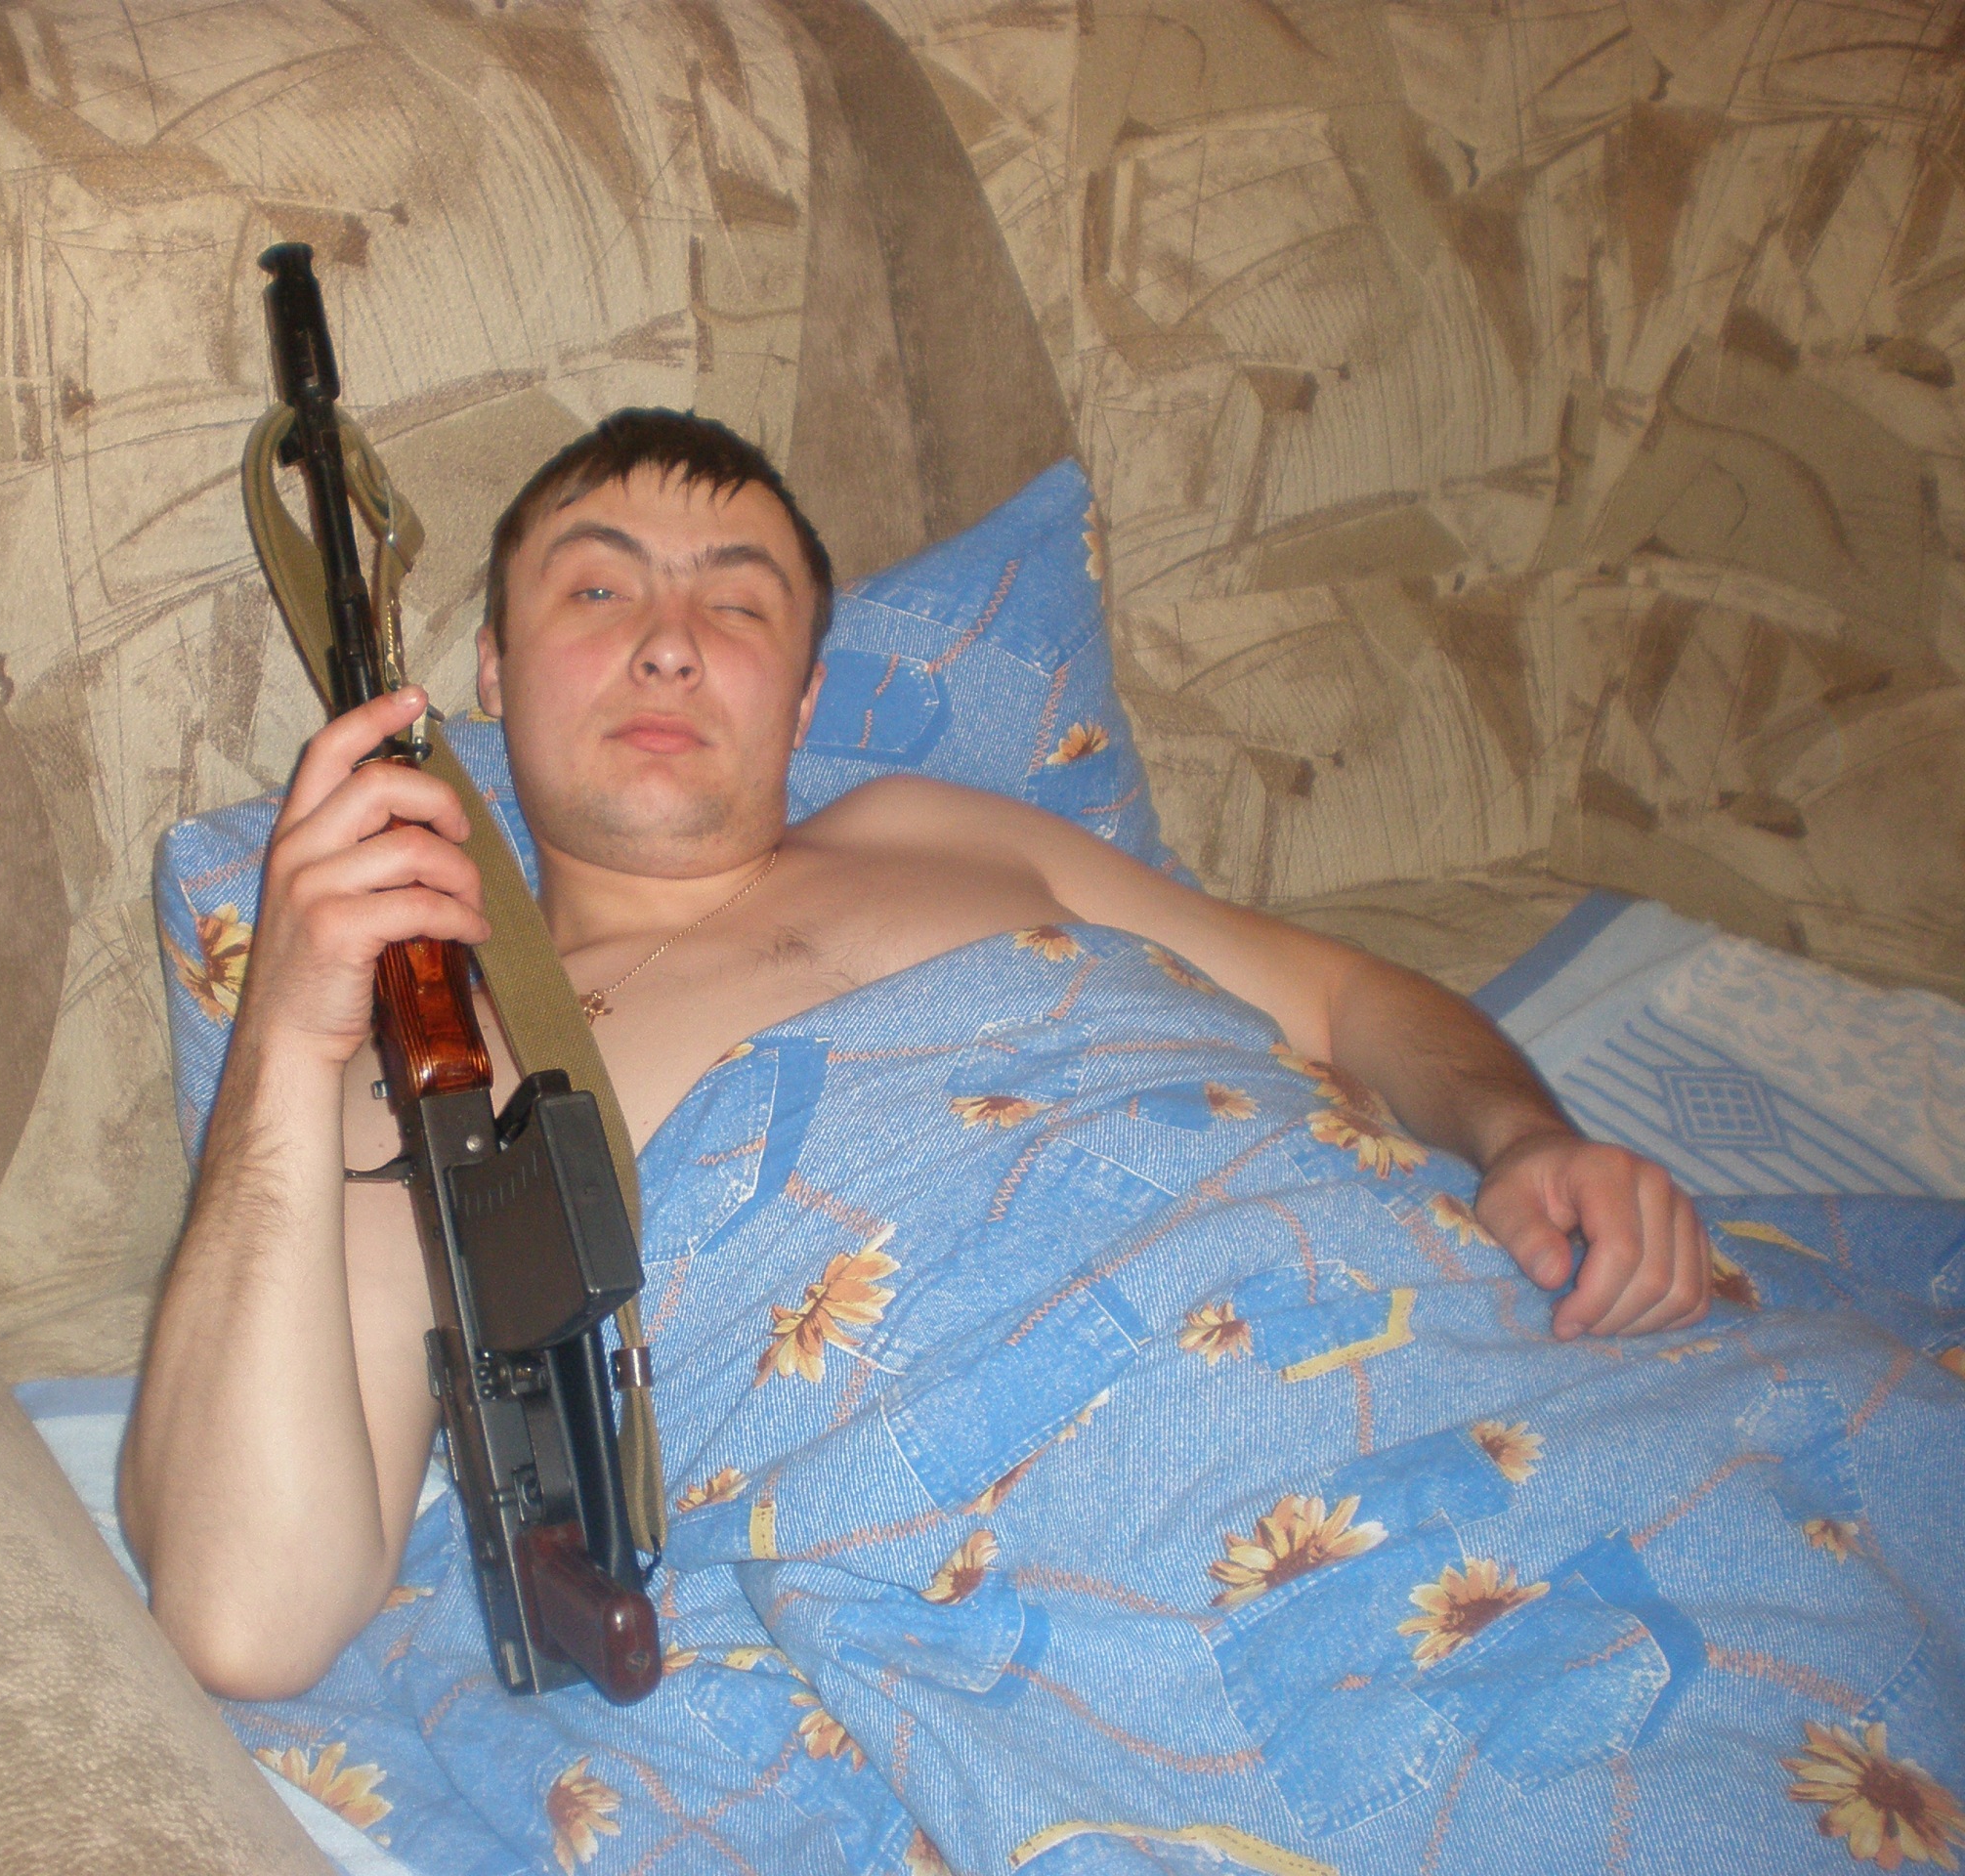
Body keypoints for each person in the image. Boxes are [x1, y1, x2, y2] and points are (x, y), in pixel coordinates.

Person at [117, 409, 1712, 1704]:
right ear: (489, 672)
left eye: (737, 604)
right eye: (598, 594)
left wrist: (1521, 1134)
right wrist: (287, 1034)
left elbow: (1350, 999)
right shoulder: (442, 1078)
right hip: (1121, 1582)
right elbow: (249, 1618)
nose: (669, 646)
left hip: (1476, 1370)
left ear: (807, 691)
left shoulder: (942, 833)